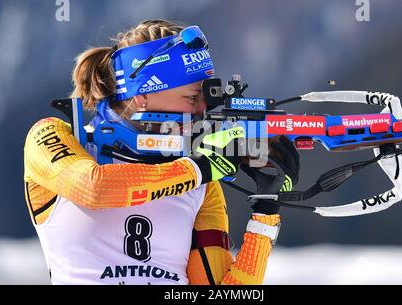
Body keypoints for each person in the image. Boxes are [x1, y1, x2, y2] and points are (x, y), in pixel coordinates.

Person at [23, 19, 300, 285]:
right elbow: (95, 188)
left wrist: (266, 215)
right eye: (192, 98)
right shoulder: (53, 136)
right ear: (142, 95)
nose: (201, 112)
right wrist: (200, 169)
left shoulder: (202, 186)